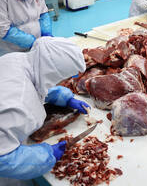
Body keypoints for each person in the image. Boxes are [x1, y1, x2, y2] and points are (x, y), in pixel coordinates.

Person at [0, 37, 90, 186]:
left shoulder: (19, 60)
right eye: (65, 76)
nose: (65, 80)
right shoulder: (18, 106)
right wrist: (46, 155)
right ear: (53, 72)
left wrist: (64, 98)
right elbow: (3, 159)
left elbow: (36, 84)